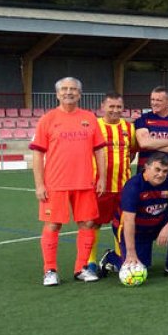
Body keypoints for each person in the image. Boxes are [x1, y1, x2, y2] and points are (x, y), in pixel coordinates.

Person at [31, 77, 107, 286]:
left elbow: (99, 150)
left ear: (80, 94)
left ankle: (81, 268)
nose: (68, 92)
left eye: (73, 89)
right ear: (57, 94)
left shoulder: (89, 118)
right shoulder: (48, 119)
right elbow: (37, 154)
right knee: (53, 225)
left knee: (88, 223)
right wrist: (39, 184)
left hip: (85, 183)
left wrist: (102, 177)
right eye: (64, 89)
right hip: (56, 184)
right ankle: (50, 271)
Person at [99, 152, 168, 278]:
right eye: (157, 169)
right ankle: (110, 258)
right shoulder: (133, 186)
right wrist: (131, 252)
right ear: (146, 167)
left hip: (156, 224)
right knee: (137, 266)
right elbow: (128, 221)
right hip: (133, 229)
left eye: (165, 171)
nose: (161, 175)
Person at [93, 92, 136, 269]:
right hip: (99, 186)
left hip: (123, 186)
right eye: (111, 106)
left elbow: (132, 152)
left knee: (122, 223)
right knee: (93, 223)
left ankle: (120, 259)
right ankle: (90, 261)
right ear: (103, 107)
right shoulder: (94, 126)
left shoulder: (128, 127)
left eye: (119, 106)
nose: (115, 110)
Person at [133, 86, 168, 173]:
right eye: (152, 99)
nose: (154, 103)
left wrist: (153, 145)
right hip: (146, 173)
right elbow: (144, 143)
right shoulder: (142, 119)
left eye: (159, 100)